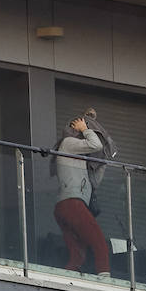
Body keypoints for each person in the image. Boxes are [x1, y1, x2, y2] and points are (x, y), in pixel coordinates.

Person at [53, 115, 111, 276]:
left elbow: (94, 184)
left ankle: (70, 278)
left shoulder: (78, 157)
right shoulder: (68, 143)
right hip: (72, 203)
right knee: (99, 244)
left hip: (68, 204)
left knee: (78, 253)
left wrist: (101, 164)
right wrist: (85, 128)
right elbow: (95, 144)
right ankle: (106, 281)